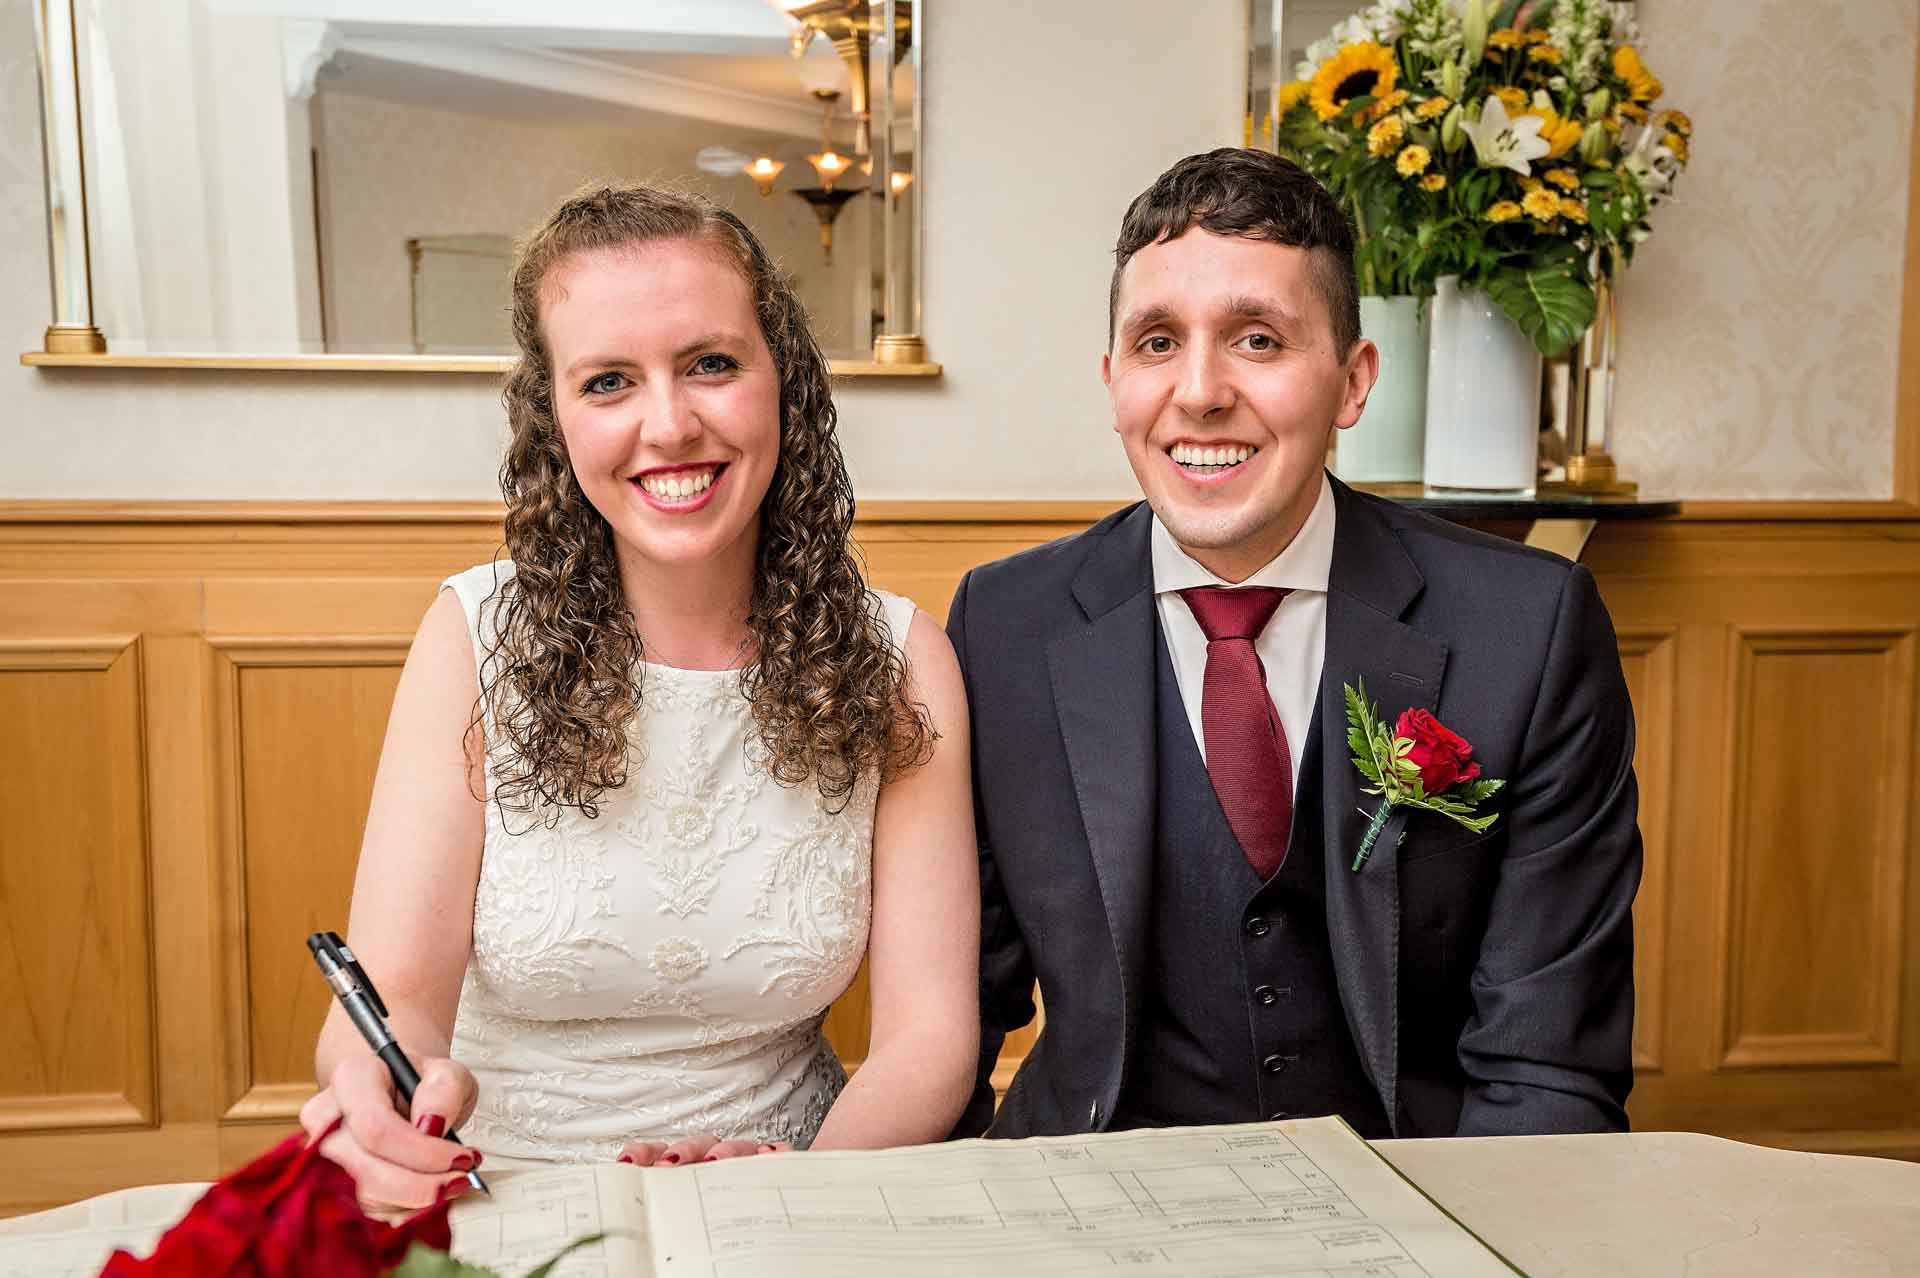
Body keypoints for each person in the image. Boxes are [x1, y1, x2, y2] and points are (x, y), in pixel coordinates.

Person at [301, 184, 979, 1210]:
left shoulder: (904, 659)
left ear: (782, 380)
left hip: (798, 1193)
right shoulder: (471, 639)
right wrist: (370, 1087)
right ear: (556, 417)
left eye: (711, 364)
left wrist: (803, 1183)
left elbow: (930, 1038)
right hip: (500, 1194)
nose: (669, 424)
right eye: (609, 381)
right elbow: (391, 998)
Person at [950, 149, 1641, 1141]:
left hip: (1421, 1198)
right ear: (1113, 383)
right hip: (1091, 1195)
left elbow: (1546, 1067)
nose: (1199, 392)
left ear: (1352, 381)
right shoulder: (1003, 626)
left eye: (1258, 340)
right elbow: (957, 1010)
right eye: (1156, 342)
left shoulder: (1527, 629)